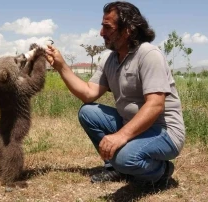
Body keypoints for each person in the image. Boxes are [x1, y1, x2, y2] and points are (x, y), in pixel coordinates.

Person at [46, 1, 185, 185]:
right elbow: (88, 93)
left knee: (124, 158)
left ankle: (161, 171)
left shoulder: (149, 54)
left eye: (107, 27)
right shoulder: (110, 59)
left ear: (127, 29)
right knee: (88, 112)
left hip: (164, 131)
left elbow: (155, 105)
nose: (101, 33)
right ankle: (116, 169)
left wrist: (120, 136)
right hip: (132, 125)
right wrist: (62, 66)